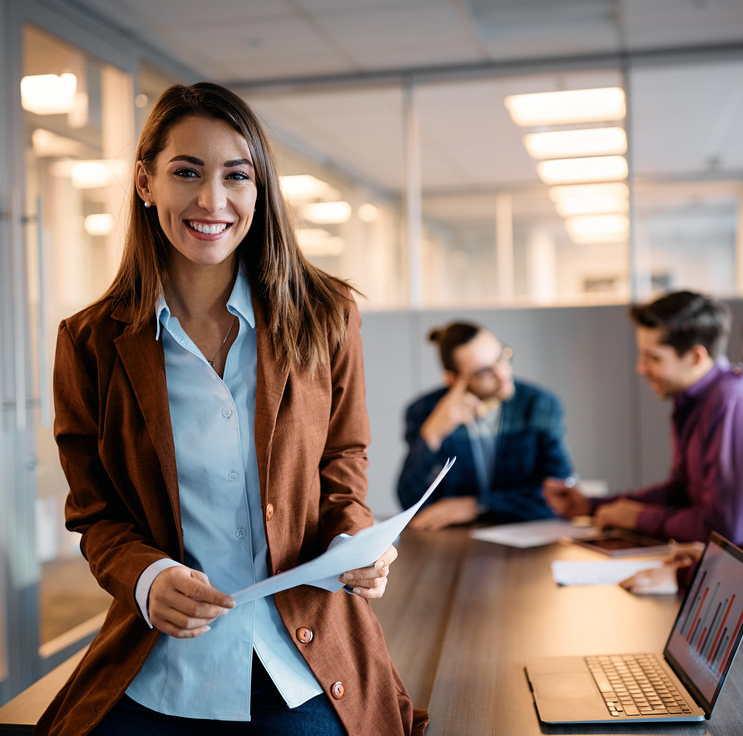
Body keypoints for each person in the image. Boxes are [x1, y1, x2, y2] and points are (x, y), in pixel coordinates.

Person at [33, 83, 426, 736]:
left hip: (298, 657)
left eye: (236, 176)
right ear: (145, 182)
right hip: (161, 667)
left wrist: (352, 540)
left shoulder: (326, 315)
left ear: (259, 189)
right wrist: (145, 577)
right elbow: (94, 512)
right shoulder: (90, 342)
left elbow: (342, 459)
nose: (212, 201)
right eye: (186, 172)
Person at [545, 291, 743, 548]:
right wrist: (591, 505)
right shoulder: (691, 400)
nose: (640, 368)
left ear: (695, 357)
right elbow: (679, 494)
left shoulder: (731, 402)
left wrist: (639, 518)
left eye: (653, 358)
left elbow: (725, 530)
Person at [396, 321, 573, 530]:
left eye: (501, 357)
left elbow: (561, 496)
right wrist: (432, 434)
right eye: (483, 372)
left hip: (526, 534)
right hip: (453, 539)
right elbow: (409, 501)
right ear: (452, 379)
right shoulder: (424, 410)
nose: (503, 374)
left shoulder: (539, 405)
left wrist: (477, 506)